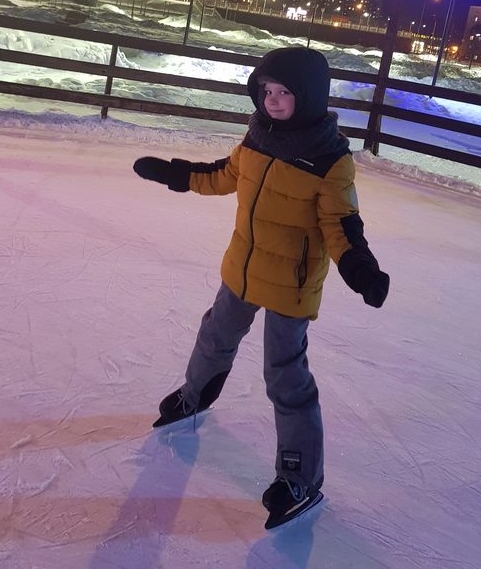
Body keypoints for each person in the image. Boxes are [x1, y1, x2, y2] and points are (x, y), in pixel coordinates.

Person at [133, 46, 390, 529]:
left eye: (284, 92)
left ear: (308, 96)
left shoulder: (329, 159)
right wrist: (174, 173)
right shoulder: (255, 139)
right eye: (266, 91)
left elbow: (341, 223)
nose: (271, 101)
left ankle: (300, 477)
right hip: (243, 269)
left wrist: (359, 267)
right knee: (214, 335)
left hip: (290, 286)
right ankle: (196, 394)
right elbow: (222, 175)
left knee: (285, 377)